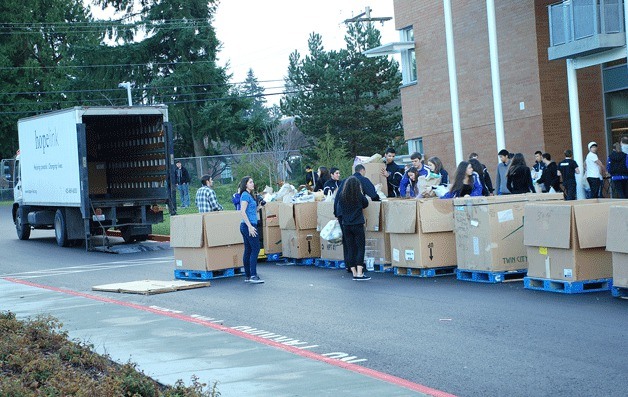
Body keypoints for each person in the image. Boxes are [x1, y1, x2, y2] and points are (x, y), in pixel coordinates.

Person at [334, 176, 370, 281]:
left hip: (346, 225)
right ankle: (360, 273)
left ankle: (354, 272)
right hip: (357, 223)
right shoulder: (358, 195)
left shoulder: (342, 196)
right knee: (360, 248)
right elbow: (366, 204)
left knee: (350, 249)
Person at [238, 176, 264, 284]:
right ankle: (253, 275)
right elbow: (242, 212)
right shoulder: (245, 195)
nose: (253, 184)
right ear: (245, 184)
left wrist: (259, 207)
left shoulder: (250, 195)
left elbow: (251, 211)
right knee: (255, 249)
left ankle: (248, 276)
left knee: (248, 250)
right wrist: (249, 226)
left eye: (253, 182)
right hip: (248, 225)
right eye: (250, 182)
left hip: (249, 224)